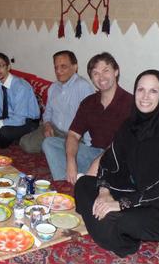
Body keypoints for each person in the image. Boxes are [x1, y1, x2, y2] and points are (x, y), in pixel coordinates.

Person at [74, 70, 159, 257]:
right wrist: (105, 193)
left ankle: (120, 239)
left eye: (153, 91)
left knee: (122, 219)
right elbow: (110, 162)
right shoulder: (129, 126)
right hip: (139, 194)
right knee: (83, 184)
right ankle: (107, 226)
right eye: (140, 90)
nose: (145, 97)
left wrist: (120, 204)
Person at [42, 52, 132, 183]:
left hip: (119, 157)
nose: (101, 77)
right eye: (96, 73)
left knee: (117, 166)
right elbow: (73, 135)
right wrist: (71, 161)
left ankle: (92, 179)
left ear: (116, 72)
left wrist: (97, 163)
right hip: (94, 152)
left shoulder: (130, 103)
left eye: (106, 71)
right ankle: (72, 179)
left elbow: (122, 144)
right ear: (92, 78)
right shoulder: (88, 102)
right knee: (50, 143)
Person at [19, 50, 94, 153]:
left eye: (63, 66)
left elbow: (90, 119)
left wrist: (89, 147)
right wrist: (47, 125)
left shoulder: (83, 86)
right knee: (25, 143)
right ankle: (54, 149)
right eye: (56, 67)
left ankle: (56, 150)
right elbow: (48, 112)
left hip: (73, 136)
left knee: (56, 148)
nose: (58, 71)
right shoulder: (54, 87)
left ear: (75, 67)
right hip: (53, 130)